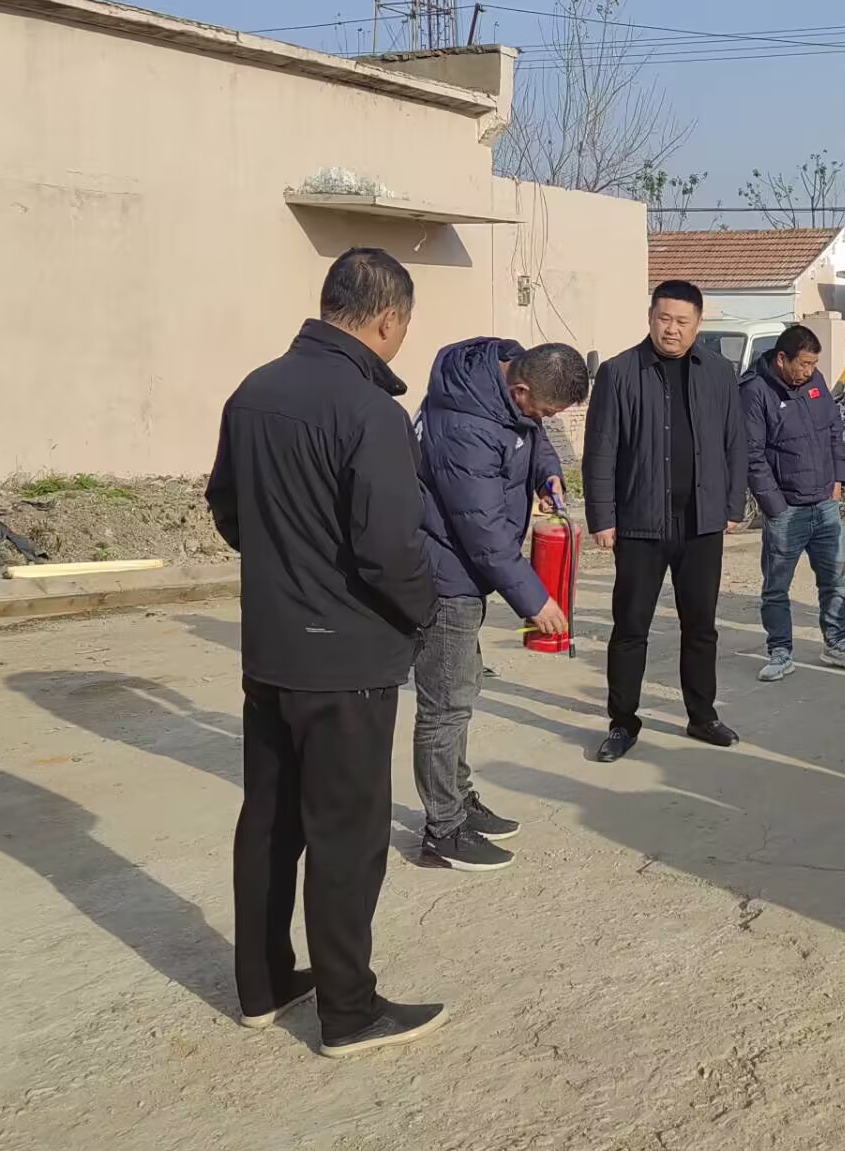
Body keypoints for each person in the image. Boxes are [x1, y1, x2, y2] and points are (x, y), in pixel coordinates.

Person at [205, 247, 446, 1058]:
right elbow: (388, 548)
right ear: (389, 319)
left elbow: (227, 508)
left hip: (272, 651)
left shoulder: (255, 390)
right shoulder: (371, 412)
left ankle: (263, 983)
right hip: (346, 663)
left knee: (270, 821)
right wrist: (425, 612)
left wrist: (286, 565)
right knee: (346, 835)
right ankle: (349, 1011)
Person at [412, 338, 588, 872]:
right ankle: (443, 831)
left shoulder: (506, 386)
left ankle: (458, 799)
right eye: (544, 410)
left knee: (461, 692)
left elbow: (535, 437)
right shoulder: (465, 428)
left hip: (469, 571)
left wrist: (547, 474)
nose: (544, 420)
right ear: (521, 389)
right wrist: (535, 601)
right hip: (447, 575)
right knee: (445, 706)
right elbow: (482, 531)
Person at [583, 280, 746, 762]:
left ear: (698, 324)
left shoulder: (718, 372)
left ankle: (702, 715)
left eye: (682, 321)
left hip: (701, 523)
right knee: (631, 627)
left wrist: (732, 505)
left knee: (701, 626)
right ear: (651, 317)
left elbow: (735, 442)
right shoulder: (619, 373)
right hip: (640, 523)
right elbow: (600, 450)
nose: (671, 329)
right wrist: (602, 516)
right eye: (664, 318)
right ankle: (622, 723)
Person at [741, 323, 845, 681]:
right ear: (782, 359)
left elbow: (833, 430)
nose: (810, 371)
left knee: (834, 580)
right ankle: (780, 652)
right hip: (787, 509)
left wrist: (838, 479)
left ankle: (837, 643)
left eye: (814, 364)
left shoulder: (815, 383)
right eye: (804, 364)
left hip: (825, 503)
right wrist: (775, 505)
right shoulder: (755, 391)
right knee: (776, 587)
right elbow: (751, 455)